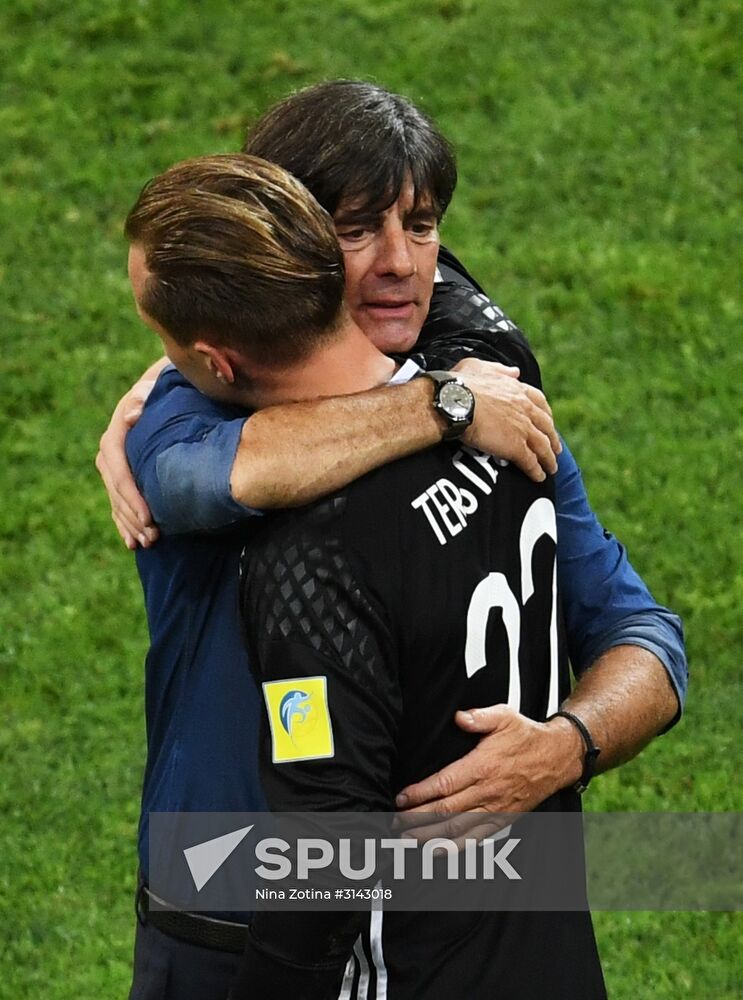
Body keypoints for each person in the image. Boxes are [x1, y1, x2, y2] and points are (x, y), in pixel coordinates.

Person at [107, 82, 685, 998]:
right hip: (233, 923)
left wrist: (568, 742)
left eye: (420, 226)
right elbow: (196, 481)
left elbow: (645, 635)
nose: (399, 266)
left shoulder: (500, 402)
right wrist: (437, 405)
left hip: (394, 926)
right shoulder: (185, 418)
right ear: (285, 242)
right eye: (352, 229)